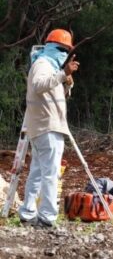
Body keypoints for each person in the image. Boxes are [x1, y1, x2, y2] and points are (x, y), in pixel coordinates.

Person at [19, 29, 79, 228]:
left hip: (44, 127)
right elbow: (38, 85)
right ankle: (47, 216)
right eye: (62, 50)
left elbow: (52, 93)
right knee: (50, 173)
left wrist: (66, 83)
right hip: (47, 127)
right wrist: (63, 73)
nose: (64, 54)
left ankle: (28, 213)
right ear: (53, 47)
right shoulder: (43, 64)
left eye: (67, 51)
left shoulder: (49, 65)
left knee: (37, 173)